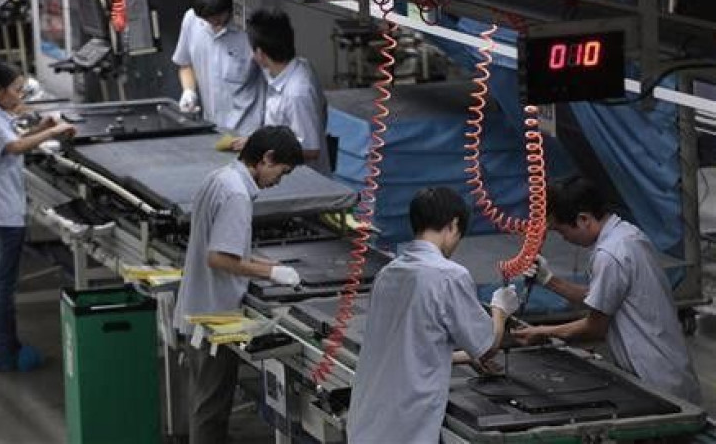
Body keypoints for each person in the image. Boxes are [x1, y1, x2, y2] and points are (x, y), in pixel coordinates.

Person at [346, 187, 520, 444]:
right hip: (405, 427)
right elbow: (488, 345)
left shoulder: (389, 272)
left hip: (368, 418)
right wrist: (501, 309)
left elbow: (408, 347)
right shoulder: (449, 275)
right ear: (453, 225)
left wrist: (463, 357)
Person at [513, 176, 701, 405]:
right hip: (669, 368)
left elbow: (595, 327)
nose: (564, 238)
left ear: (583, 219)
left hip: (654, 377)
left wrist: (541, 331)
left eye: (562, 232)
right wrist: (549, 280)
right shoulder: (627, 235)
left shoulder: (609, 255)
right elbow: (602, 298)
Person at [172, 125, 305, 444]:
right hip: (213, 317)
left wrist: (264, 265)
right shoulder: (237, 194)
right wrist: (271, 274)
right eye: (281, 173)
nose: (278, 181)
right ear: (267, 158)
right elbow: (218, 258)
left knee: (205, 404)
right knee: (211, 411)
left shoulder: (220, 178)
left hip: (198, 309)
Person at [0, 60, 76, 371]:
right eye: (16, 90)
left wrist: (43, 129)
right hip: (2, 214)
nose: (20, 96)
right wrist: (58, 130)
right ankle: (6, 355)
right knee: (2, 288)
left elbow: (14, 138)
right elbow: (15, 146)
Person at [172, 0, 263, 134]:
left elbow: (273, 82)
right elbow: (185, 64)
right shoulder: (191, 20)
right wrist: (189, 91)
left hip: (249, 134)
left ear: (229, 5)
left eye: (218, 16)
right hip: (213, 130)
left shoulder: (252, 30)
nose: (213, 22)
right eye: (206, 18)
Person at [240, 9, 331, 174]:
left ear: (260, 53)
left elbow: (311, 150)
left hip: (306, 183)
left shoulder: (297, 93)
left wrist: (259, 148)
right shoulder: (299, 65)